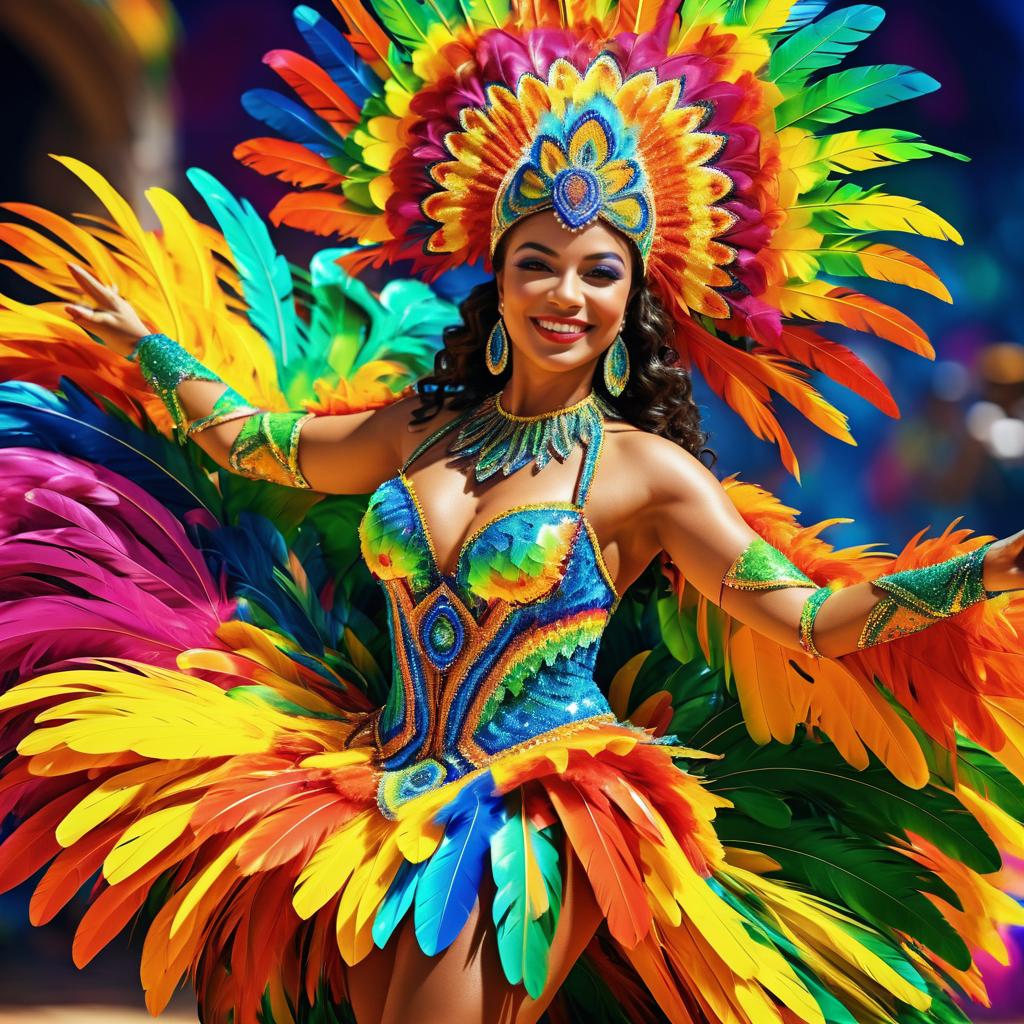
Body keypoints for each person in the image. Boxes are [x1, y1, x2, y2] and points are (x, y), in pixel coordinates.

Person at [1, 3, 1024, 1024]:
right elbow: (251, 441)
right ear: (498, 277)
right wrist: (146, 347)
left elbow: (806, 621)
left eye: (599, 270)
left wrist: (981, 572)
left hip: (536, 814)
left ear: (632, 301)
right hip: (369, 798)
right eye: (538, 262)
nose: (564, 294)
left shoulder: (646, 475)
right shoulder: (419, 429)